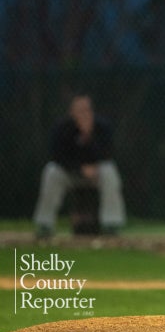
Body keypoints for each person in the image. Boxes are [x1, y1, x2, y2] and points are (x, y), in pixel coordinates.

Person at [33, 93, 126, 238]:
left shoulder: (102, 127)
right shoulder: (62, 128)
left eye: (87, 109)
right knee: (51, 172)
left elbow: (108, 154)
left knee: (109, 171)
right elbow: (57, 156)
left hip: (95, 174)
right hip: (70, 173)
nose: (84, 113)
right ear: (71, 112)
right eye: (80, 110)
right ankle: (45, 224)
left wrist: (88, 137)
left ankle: (111, 224)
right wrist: (79, 168)